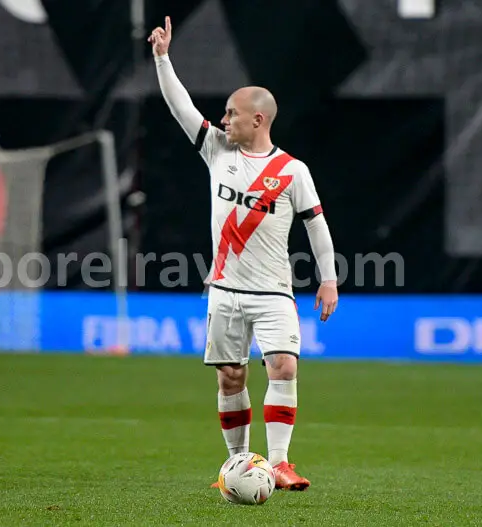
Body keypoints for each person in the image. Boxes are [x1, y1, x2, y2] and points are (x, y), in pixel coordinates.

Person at [148, 16, 338, 491]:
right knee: (231, 378)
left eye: (232, 113)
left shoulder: (293, 171)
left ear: (258, 119)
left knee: (284, 366)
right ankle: (235, 466)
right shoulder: (217, 151)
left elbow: (317, 226)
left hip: (274, 291)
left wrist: (328, 278)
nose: (223, 119)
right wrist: (163, 59)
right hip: (225, 291)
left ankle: (278, 462)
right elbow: (181, 108)